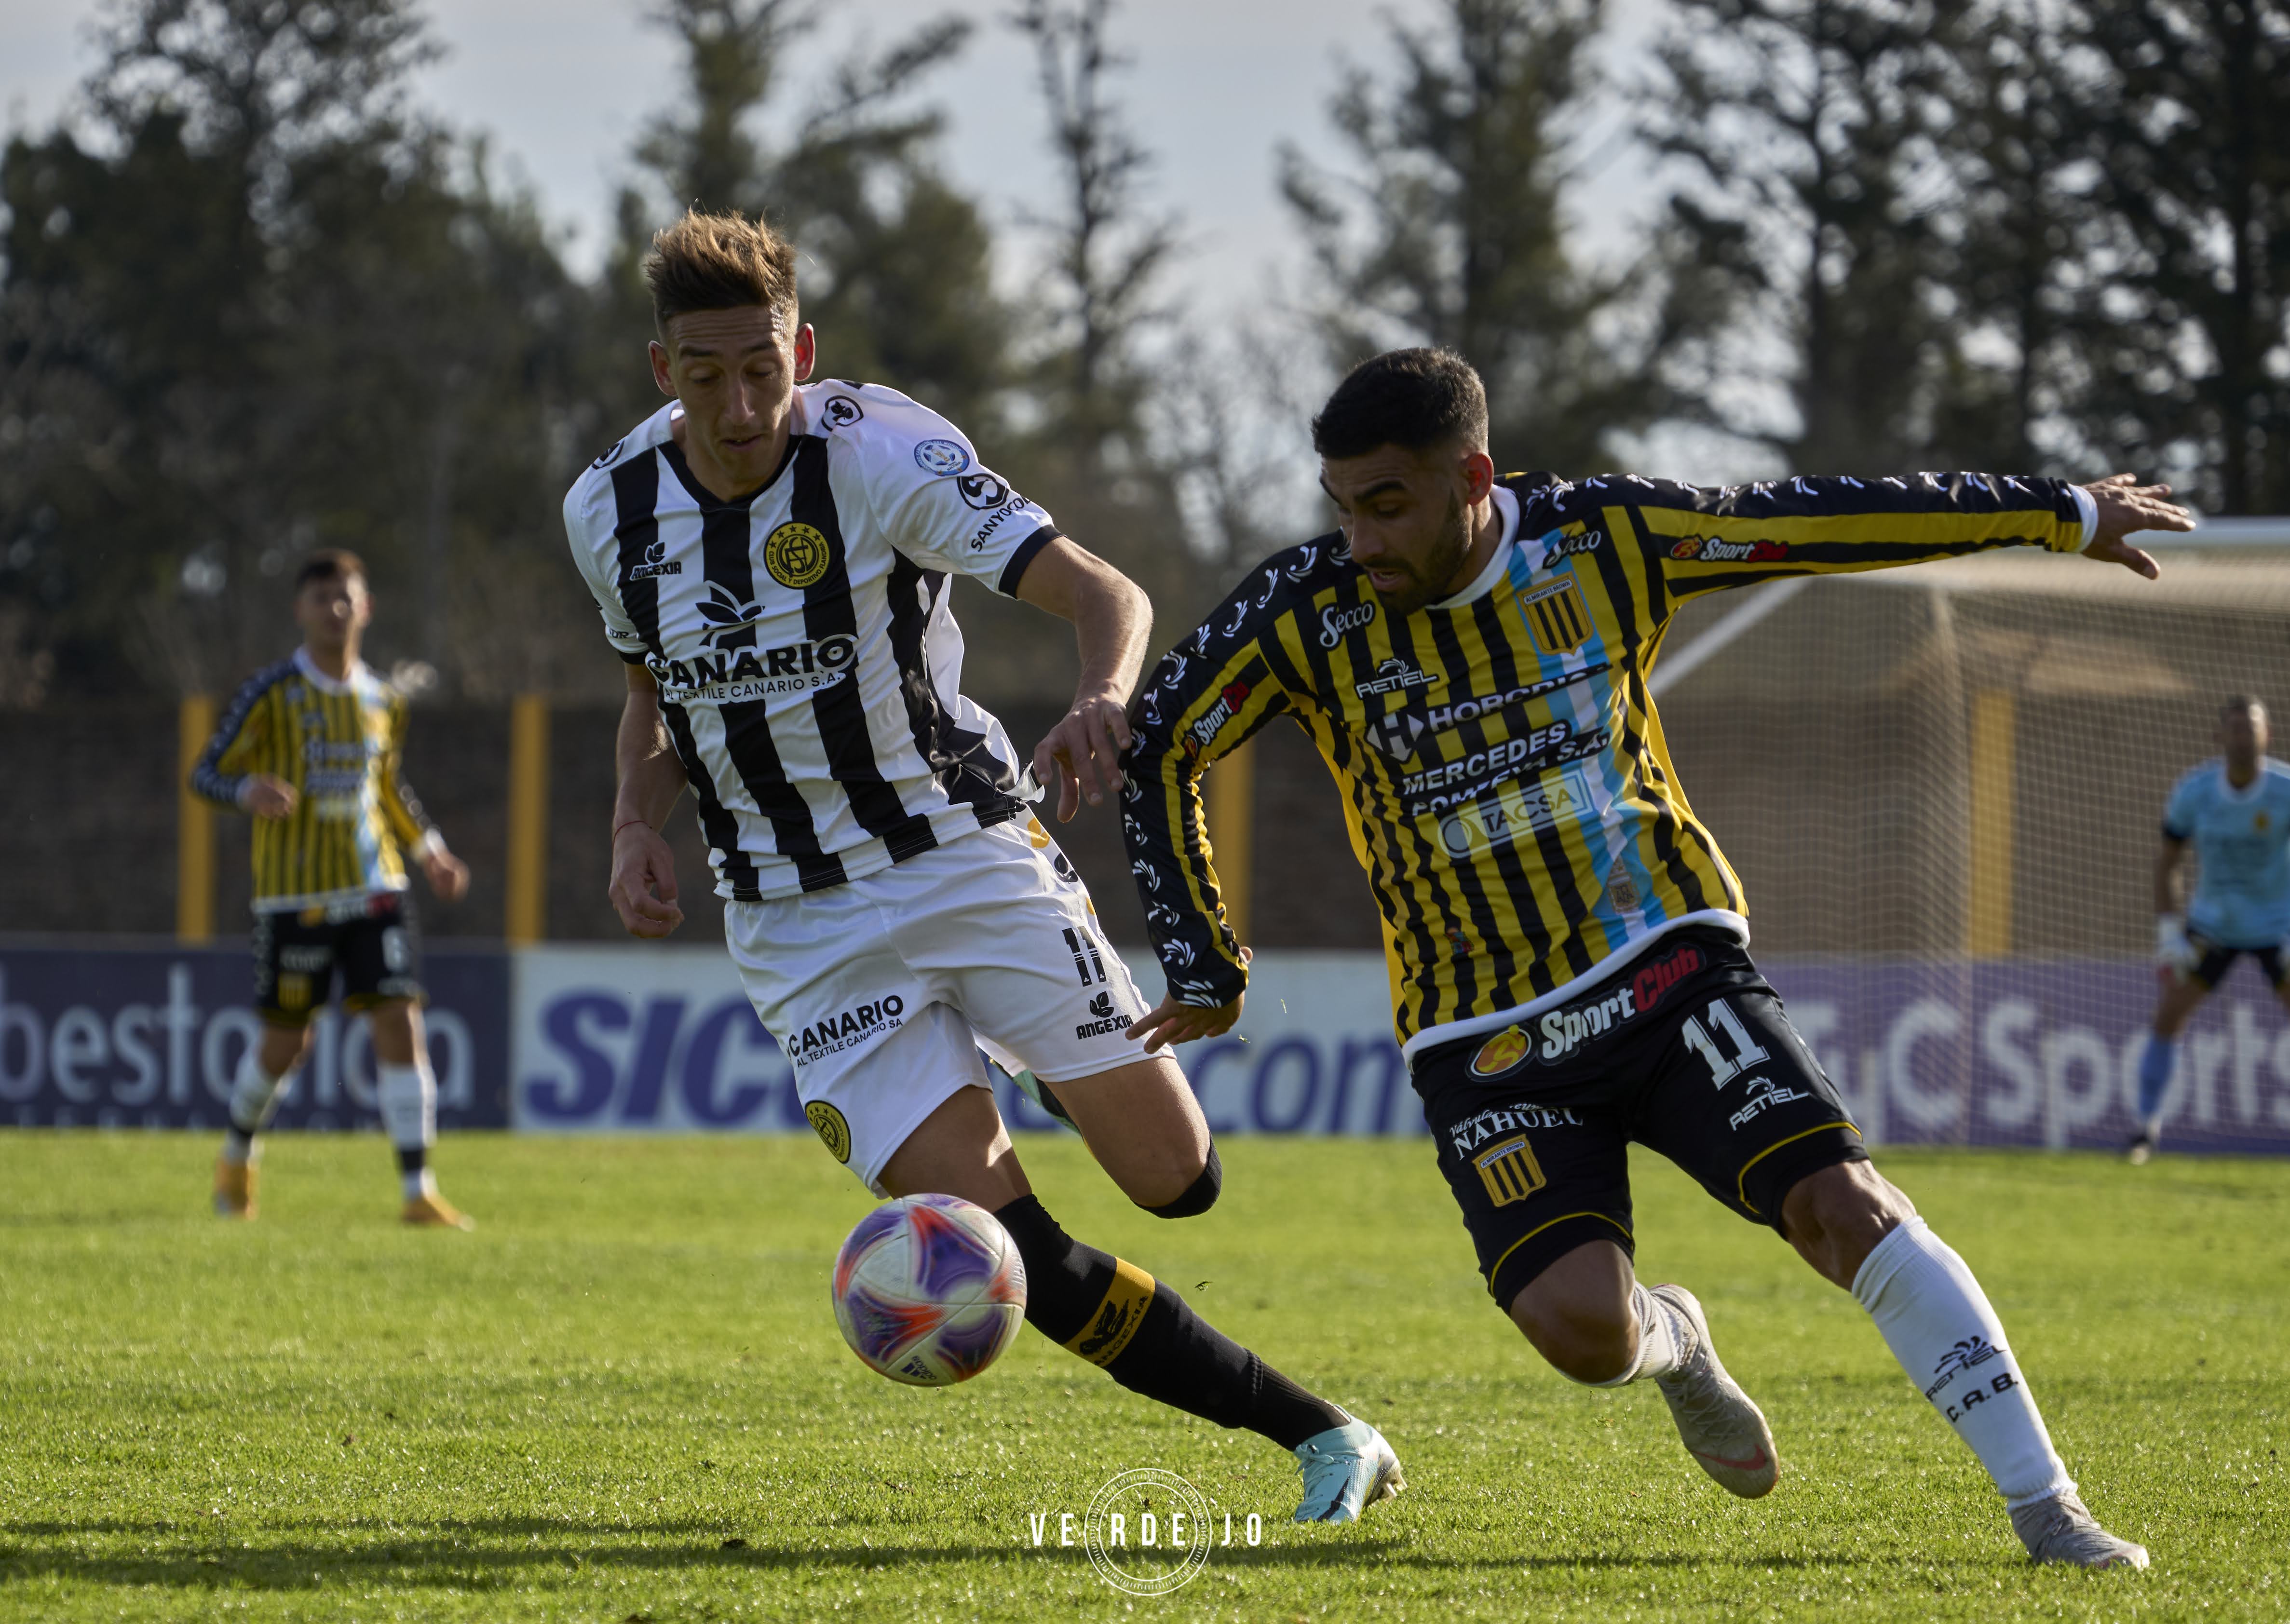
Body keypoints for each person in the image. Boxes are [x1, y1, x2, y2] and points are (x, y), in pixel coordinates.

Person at [1121, 348, 2192, 1569]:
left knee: (1839, 1205)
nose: (1360, 540)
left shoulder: (1605, 538)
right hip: (1482, 1033)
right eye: (1342, 507)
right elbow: (1159, 742)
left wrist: (2058, 514)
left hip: (1665, 963)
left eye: (1387, 504)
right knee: (1581, 1333)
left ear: (1471, 476)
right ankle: (1675, 1338)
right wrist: (1202, 960)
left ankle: (2047, 1508)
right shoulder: (1306, 610)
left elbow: (1816, 519)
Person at [561, 209, 1401, 1523]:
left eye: (763, 369)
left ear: (802, 353)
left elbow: (1106, 593)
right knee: (1000, 1250)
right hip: (799, 931)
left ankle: (1037, 1059)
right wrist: (631, 825)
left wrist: (1101, 696)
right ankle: (1323, 1437)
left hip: (961, 857)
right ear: (663, 370)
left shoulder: (879, 454)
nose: (740, 407)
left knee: (1177, 1182)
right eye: (707, 375)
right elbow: (655, 706)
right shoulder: (607, 511)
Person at [190, 549, 474, 1227]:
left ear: (366, 607)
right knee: (288, 1044)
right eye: (321, 598)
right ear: (301, 610)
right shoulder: (272, 693)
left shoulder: (385, 699)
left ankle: (418, 1190)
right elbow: (205, 772)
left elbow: (387, 785)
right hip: (294, 898)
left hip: (376, 887)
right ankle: (236, 1157)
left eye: (346, 596)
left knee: (400, 1019)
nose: (335, 609)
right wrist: (245, 790)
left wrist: (431, 851)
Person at [2129, 696, 2290, 1163]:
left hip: (2278, 926)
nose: (2243, 738)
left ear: (2267, 735)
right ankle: (2145, 1131)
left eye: (2251, 729)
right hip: (2213, 927)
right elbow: (2167, 864)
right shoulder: (2194, 791)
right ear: (2219, 736)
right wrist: (2168, 935)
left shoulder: (2284, 790)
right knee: (2167, 1017)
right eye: (2234, 729)